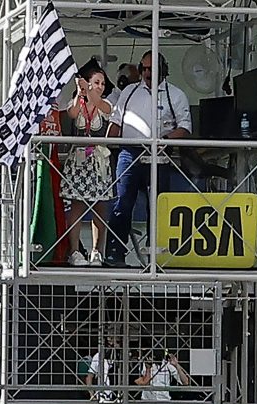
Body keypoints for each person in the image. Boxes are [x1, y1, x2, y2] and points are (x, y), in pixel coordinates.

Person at [105, 51, 192, 267]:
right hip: (130, 152)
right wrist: (105, 143)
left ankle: (158, 257)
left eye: (151, 69)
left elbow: (184, 127)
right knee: (122, 202)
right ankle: (114, 254)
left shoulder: (176, 94)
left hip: (159, 155)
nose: (146, 73)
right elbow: (116, 122)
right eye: (143, 68)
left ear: (163, 69)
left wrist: (165, 139)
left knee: (158, 206)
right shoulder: (129, 91)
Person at [61, 62, 114, 267]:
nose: (100, 86)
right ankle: (74, 250)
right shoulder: (76, 102)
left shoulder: (105, 105)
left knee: (100, 207)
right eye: (96, 82)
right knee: (77, 206)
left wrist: (88, 89)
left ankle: (96, 251)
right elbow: (72, 113)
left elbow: (102, 105)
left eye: (102, 83)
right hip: (79, 161)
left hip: (99, 160)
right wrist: (80, 92)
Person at [85, 338, 116, 403]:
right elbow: (89, 376)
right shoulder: (98, 356)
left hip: (118, 394)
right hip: (102, 395)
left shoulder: (121, 356)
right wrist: (92, 395)